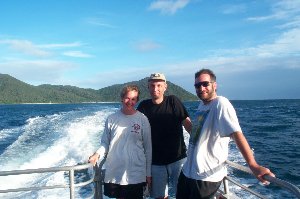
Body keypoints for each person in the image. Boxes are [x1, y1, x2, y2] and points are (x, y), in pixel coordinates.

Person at [176, 68, 275, 199]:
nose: (201, 88)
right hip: (188, 172)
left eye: (205, 84)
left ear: (214, 85)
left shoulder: (221, 104)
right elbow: (198, 133)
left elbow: (236, 133)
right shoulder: (202, 105)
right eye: (197, 85)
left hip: (205, 177)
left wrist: (253, 165)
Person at [88, 85, 152, 199]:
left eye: (133, 99)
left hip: (136, 173)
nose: (130, 102)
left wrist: (148, 174)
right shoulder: (112, 119)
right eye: (127, 98)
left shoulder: (142, 119)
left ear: (137, 100)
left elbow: (148, 148)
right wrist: (97, 154)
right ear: (122, 98)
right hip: (116, 171)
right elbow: (105, 143)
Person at [137, 73, 192, 199]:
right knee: (160, 196)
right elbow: (135, 130)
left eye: (159, 85)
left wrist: (200, 144)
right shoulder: (143, 106)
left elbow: (188, 125)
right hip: (155, 162)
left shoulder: (173, 101)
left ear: (165, 87)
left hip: (178, 160)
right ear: (148, 87)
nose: (155, 88)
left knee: (183, 194)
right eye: (152, 85)